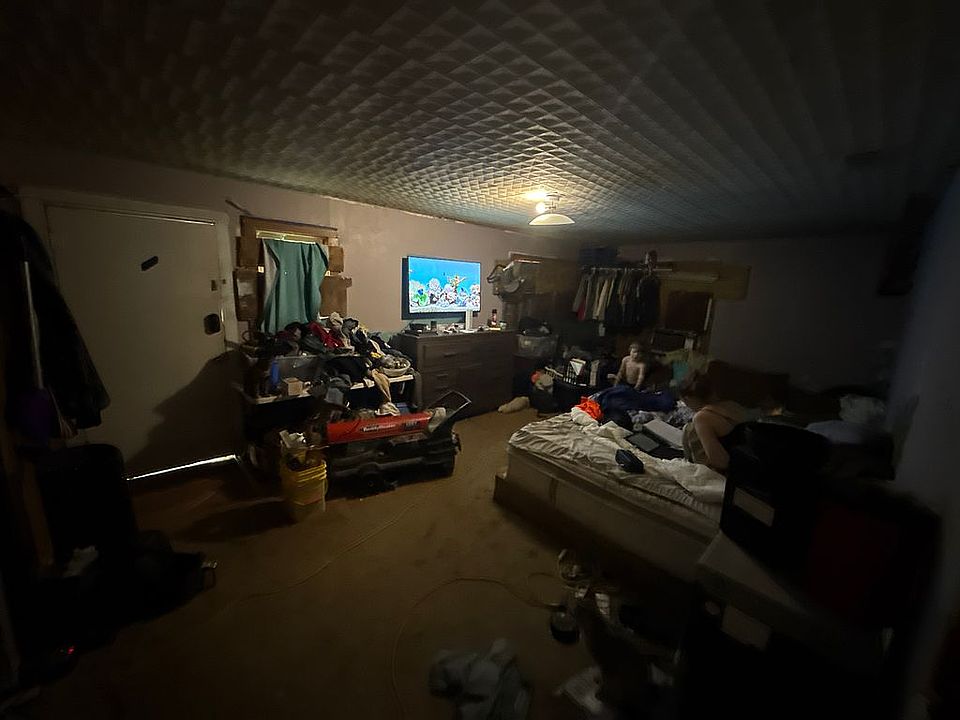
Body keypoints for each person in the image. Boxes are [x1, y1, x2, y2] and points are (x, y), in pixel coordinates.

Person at [678, 371, 751, 471]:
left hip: (734, 473)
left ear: (687, 398)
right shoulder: (733, 405)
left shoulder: (702, 417)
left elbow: (721, 462)